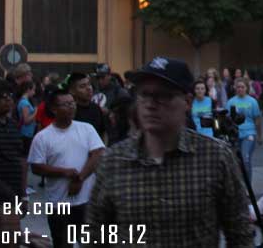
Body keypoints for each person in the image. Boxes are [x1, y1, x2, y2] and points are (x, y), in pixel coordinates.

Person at [87, 56, 251, 247]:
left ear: (187, 102)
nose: (150, 104)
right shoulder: (113, 161)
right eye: (144, 95)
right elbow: (94, 233)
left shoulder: (216, 157)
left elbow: (240, 234)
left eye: (163, 96)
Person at [29, 89, 105, 248]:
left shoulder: (86, 129)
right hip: (59, 204)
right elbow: (36, 167)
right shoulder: (43, 137)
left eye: (72, 103)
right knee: (63, 243)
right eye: (66, 104)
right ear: (54, 109)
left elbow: (98, 153)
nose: (71, 107)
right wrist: (64, 172)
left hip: (87, 201)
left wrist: (80, 178)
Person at [226, 78, 263, 183]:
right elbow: (227, 119)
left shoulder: (252, 101)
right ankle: (239, 185)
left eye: (242, 87)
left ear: (246, 88)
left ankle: (248, 186)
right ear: (235, 88)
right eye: (238, 87)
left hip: (249, 133)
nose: (240, 89)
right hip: (235, 134)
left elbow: (257, 119)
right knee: (236, 161)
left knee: (245, 159)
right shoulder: (231, 102)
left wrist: (259, 136)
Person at [68, 72, 107, 142]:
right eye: (82, 86)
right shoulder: (69, 111)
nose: (88, 88)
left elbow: (103, 132)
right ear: (72, 91)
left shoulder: (96, 108)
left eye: (89, 84)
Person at [17, 82, 37, 155]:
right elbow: (26, 120)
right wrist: (36, 112)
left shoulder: (25, 101)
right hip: (26, 134)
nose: (34, 93)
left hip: (28, 133)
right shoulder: (24, 103)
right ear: (28, 90)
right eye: (33, 90)